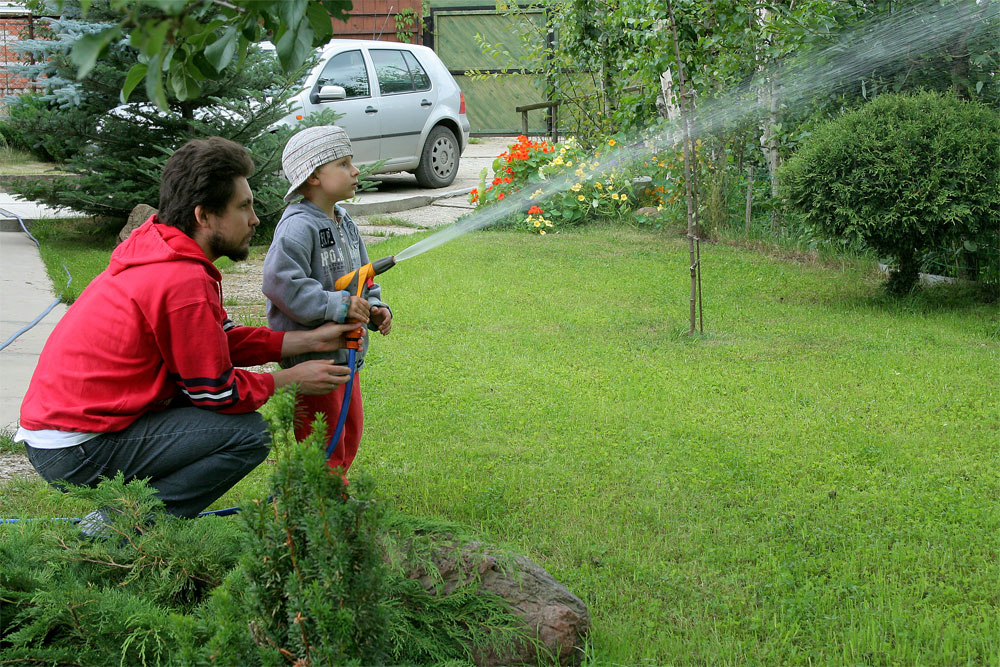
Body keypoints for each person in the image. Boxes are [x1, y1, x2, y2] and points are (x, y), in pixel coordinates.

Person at [16, 136, 357, 520]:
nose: (255, 219)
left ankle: (123, 521)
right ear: (205, 216)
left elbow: (217, 339)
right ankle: (120, 528)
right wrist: (293, 379)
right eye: (243, 206)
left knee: (224, 420)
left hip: (69, 431)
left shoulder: (164, 247)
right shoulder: (181, 281)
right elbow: (216, 392)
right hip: (76, 448)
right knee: (249, 435)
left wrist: (304, 339)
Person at [262, 125, 392, 477]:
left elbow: (363, 275)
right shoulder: (297, 227)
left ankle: (334, 490)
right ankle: (321, 499)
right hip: (312, 361)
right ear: (315, 175)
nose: (356, 171)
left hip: (347, 354)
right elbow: (280, 283)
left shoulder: (345, 221)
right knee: (321, 435)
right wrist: (337, 306)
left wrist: (376, 308)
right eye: (345, 163)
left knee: (349, 429)